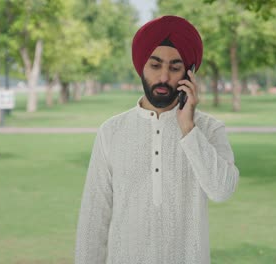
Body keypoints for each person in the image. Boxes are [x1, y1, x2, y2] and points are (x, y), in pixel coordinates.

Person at [75, 15, 239, 264]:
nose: (163, 77)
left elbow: (222, 190)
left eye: (174, 68)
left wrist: (188, 128)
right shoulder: (112, 131)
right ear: (141, 66)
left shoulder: (208, 129)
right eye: (155, 66)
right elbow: (94, 218)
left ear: (188, 74)